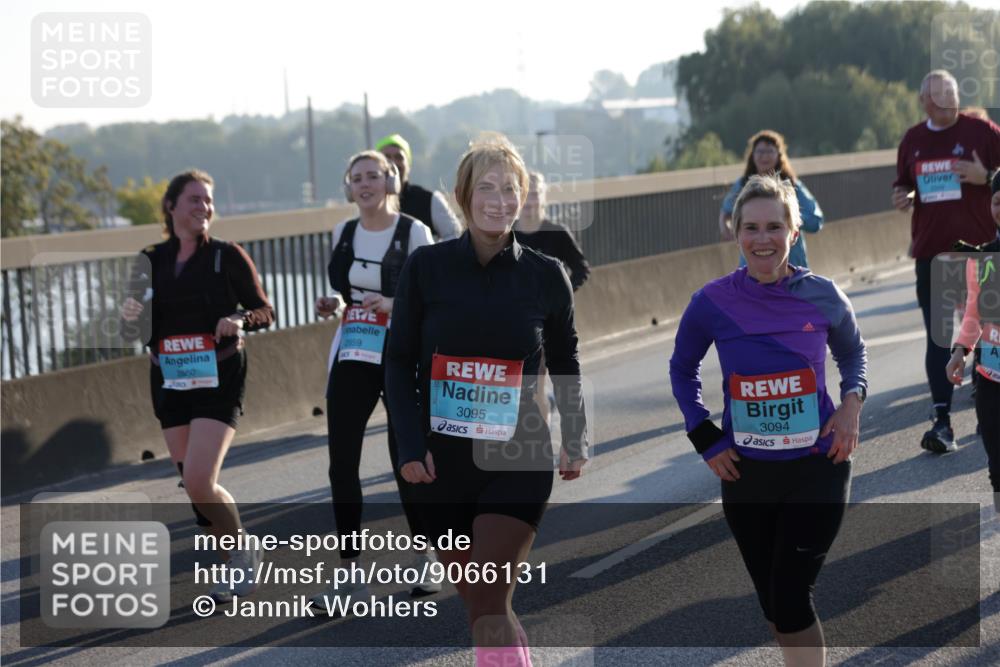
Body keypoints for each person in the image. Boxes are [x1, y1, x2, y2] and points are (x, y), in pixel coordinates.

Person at [385, 134, 588, 666]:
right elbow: (398, 361)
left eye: (511, 187)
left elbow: (566, 360)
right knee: (480, 607)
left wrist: (576, 437)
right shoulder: (426, 268)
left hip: (517, 456)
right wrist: (409, 446)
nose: (500, 199)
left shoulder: (547, 275)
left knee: (491, 599)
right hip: (437, 460)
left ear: (523, 196)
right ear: (464, 194)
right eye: (488, 187)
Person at [670, 174, 867, 666]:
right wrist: (704, 435)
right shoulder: (712, 301)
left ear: (794, 234)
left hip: (817, 466)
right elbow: (682, 367)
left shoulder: (823, 295)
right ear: (735, 233)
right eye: (751, 228)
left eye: (774, 227)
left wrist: (850, 407)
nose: (763, 240)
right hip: (747, 472)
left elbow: (853, 355)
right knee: (775, 607)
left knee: (793, 598)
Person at [121, 169, 274, 602]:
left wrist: (239, 319)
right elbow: (130, 329)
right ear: (171, 207)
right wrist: (130, 317)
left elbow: (264, 310)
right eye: (194, 200)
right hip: (169, 378)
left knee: (200, 478)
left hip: (219, 374)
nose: (203, 207)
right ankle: (233, 556)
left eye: (208, 200)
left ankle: (242, 552)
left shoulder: (228, 255)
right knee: (192, 485)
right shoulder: (149, 259)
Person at [309, 150, 437, 609]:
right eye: (356, 177)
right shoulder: (343, 231)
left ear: (391, 181)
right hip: (353, 349)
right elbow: (344, 290)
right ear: (349, 185)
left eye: (374, 176)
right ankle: (349, 574)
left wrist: (394, 304)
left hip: (401, 354)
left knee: (404, 456)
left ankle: (425, 553)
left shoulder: (413, 231)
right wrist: (331, 303)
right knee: (341, 463)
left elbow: (431, 295)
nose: (365, 184)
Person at [892, 69, 1000, 453]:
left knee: (986, 334)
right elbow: (902, 182)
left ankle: (989, 411)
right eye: (939, 100)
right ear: (925, 102)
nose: (947, 106)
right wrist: (902, 196)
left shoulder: (983, 133)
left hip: (983, 251)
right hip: (933, 252)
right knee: (939, 336)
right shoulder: (913, 140)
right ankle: (941, 423)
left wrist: (984, 175)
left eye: (952, 98)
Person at [514, 171, 590, 422]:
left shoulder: (556, 233)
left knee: (535, 383)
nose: (530, 199)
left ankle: (542, 446)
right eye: (526, 192)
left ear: (543, 197)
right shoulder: (506, 234)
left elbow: (581, 268)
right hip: (512, 322)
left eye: (535, 193)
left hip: (546, 324)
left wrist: (562, 295)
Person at [946, 167, 1000, 511]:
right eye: (997, 201)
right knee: (997, 467)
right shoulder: (982, 257)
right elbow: (973, 314)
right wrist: (959, 352)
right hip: (991, 377)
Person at [719, 129, 823, 270]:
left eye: (769, 152)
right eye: (760, 152)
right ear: (752, 156)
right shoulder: (743, 184)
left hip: (790, 270)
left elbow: (815, 221)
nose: (764, 157)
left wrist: (787, 218)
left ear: (779, 155)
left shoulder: (792, 185)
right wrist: (731, 231)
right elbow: (725, 213)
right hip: (752, 271)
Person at [377, 133, 462, 242]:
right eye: (386, 157)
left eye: (399, 157)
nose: (393, 163)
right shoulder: (369, 203)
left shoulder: (430, 200)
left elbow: (455, 236)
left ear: (409, 164)